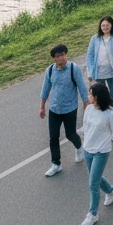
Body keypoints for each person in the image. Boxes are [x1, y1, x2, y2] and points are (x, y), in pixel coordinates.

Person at [39, 44, 88, 177]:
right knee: (53, 137)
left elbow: (82, 87)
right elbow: (45, 89)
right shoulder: (50, 71)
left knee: (70, 134)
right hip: (54, 109)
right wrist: (42, 106)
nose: (61, 57)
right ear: (54, 58)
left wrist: (86, 103)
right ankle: (56, 164)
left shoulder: (73, 69)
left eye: (63, 54)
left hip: (69, 108)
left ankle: (79, 147)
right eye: (58, 56)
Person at [79, 80, 113, 225]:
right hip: (88, 149)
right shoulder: (89, 109)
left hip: (101, 151)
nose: (88, 96)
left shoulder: (110, 114)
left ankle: (92, 214)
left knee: (93, 183)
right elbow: (85, 126)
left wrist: (109, 142)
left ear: (97, 96)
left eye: (91, 94)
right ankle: (110, 190)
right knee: (95, 177)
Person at [85, 16, 113, 102]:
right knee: (99, 97)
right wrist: (90, 72)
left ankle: (112, 113)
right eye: (103, 25)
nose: (105, 27)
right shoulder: (95, 39)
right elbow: (90, 56)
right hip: (99, 73)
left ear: (112, 25)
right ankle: (103, 114)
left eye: (107, 25)